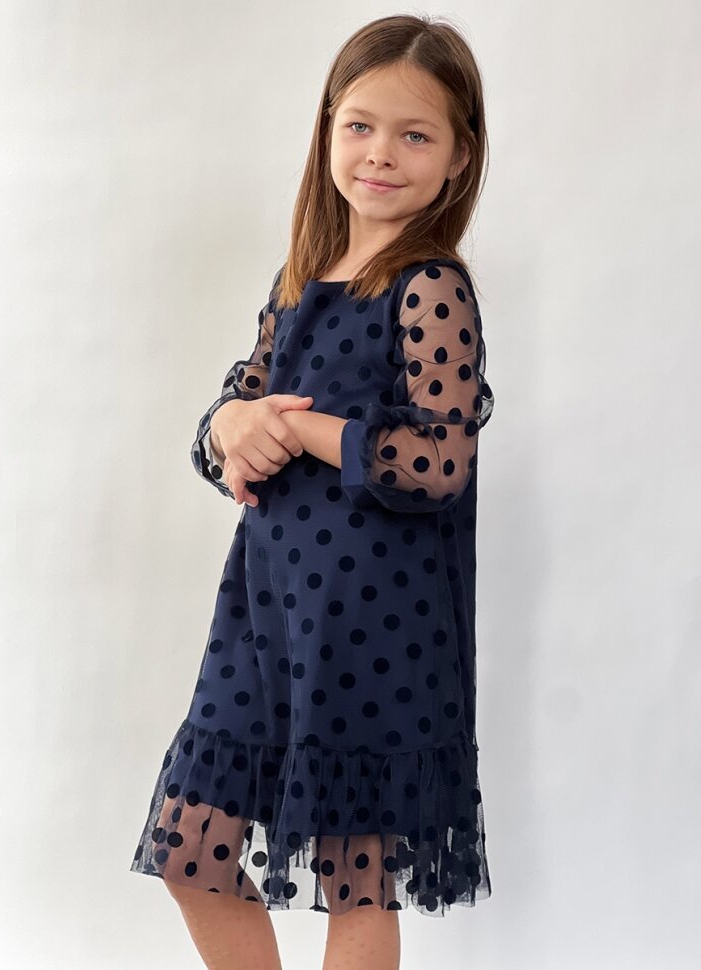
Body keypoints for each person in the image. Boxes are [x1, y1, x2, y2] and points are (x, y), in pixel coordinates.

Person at [130, 12, 495, 970]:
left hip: (376, 630)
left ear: (458, 157)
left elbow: (439, 461)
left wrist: (303, 430)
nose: (382, 154)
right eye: (361, 125)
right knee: (192, 849)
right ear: (328, 127)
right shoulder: (298, 283)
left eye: (415, 135)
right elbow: (232, 427)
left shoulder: (429, 285)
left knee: (355, 877)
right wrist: (229, 425)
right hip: (265, 616)